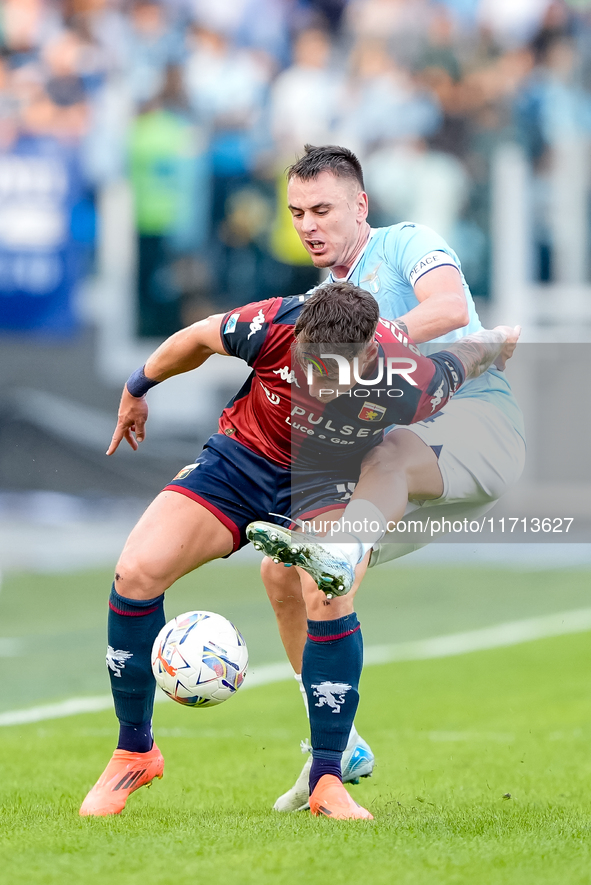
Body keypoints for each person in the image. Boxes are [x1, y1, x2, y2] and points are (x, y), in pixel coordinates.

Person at [78, 281, 517, 821]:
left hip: (325, 482)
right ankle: (134, 751)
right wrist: (138, 387)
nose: (312, 379)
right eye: (307, 363)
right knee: (135, 571)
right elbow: (194, 338)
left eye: (331, 372)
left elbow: (462, 360)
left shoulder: (409, 380)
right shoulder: (271, 324)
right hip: (240, 462)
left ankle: (328, 778)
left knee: (326, 588)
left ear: (369, 357)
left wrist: (496, 342)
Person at [258, 144, 526, 812]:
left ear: (359, 206)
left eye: (322, 208)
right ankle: (335, 746)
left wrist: (371, 347)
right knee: (287, 572)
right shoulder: (321, 302)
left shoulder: (407, 242)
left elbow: (447, 304)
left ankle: (343, 548)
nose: (308, 224)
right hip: (399, 469)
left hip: (474, 429)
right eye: (296, 212)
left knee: (381, 464)